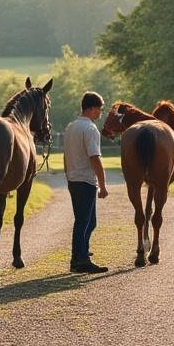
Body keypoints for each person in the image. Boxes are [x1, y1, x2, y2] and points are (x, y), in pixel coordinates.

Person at [63, 91, 109, 273]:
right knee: (83, 222)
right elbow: (95, 158)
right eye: (100, 109)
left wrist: (68, 175)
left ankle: (80, 252)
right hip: (85, 180)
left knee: (89, 222)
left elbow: (66, 156)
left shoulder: (71, 127)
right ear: (92, 108)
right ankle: (79, 260)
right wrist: (103, 185)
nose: (100, 113)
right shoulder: (90, 129)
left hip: (73, 179)